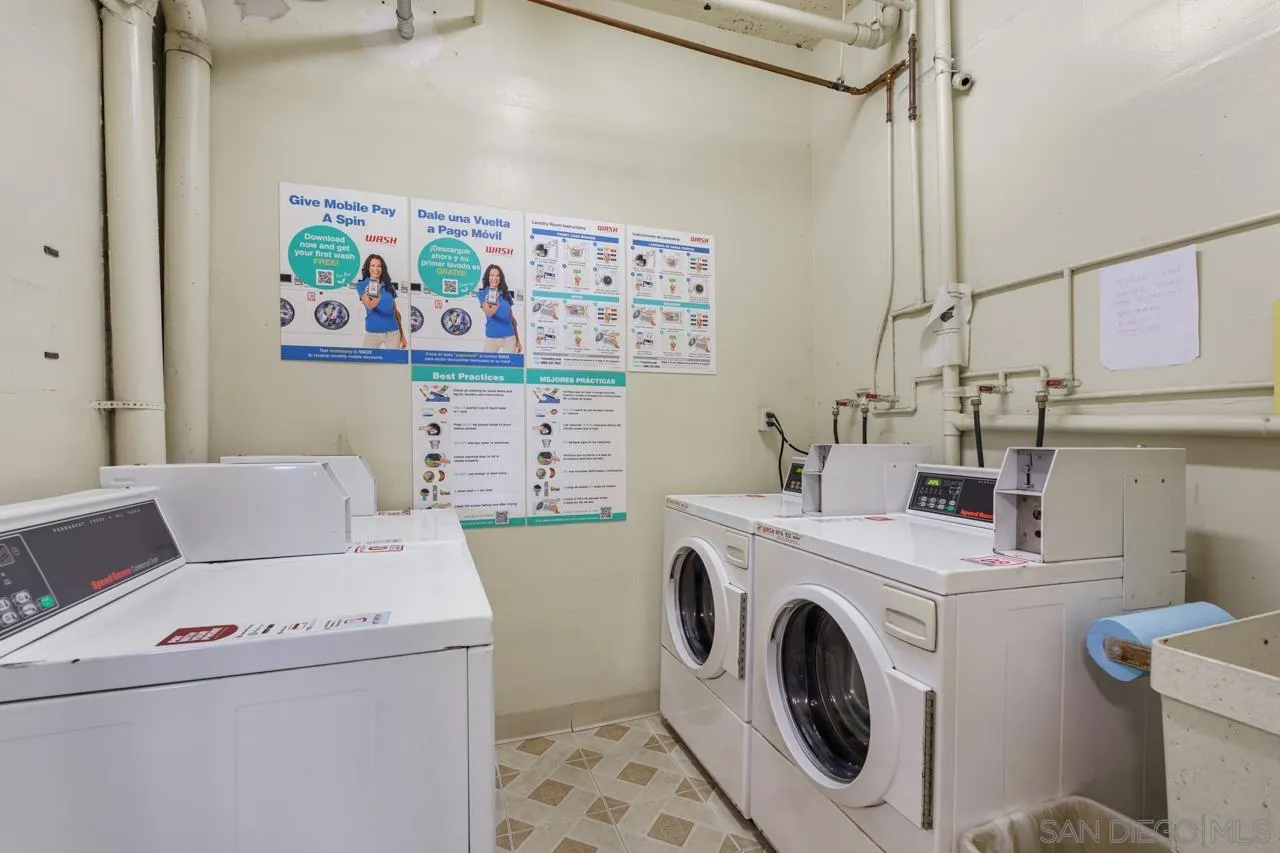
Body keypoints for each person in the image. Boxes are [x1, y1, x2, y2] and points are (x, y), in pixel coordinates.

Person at [357, 254, 405, 349]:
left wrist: (402, 335)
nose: (376, 269)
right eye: (373, 265)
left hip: (393, 333)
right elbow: (369, 305)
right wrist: (377, 297)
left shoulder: (389, 286)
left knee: (393, 363)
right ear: (368, 268)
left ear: (383, 269)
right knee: (365, 362)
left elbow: (396, 312)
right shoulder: (362, 285)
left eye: (379, 266)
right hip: (372, 333)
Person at [477, 265, 522, 354]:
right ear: (488, 277)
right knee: (487, 366)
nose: (495, 278)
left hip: (510, 337)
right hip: (492, 337)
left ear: (500, 278)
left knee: (508, 367)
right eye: (492, 275)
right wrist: (495, 301)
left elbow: (512, 319)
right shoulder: (483, 294)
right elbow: (489, 313)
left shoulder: (506, 294)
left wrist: (518, 341)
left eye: (497, 275)